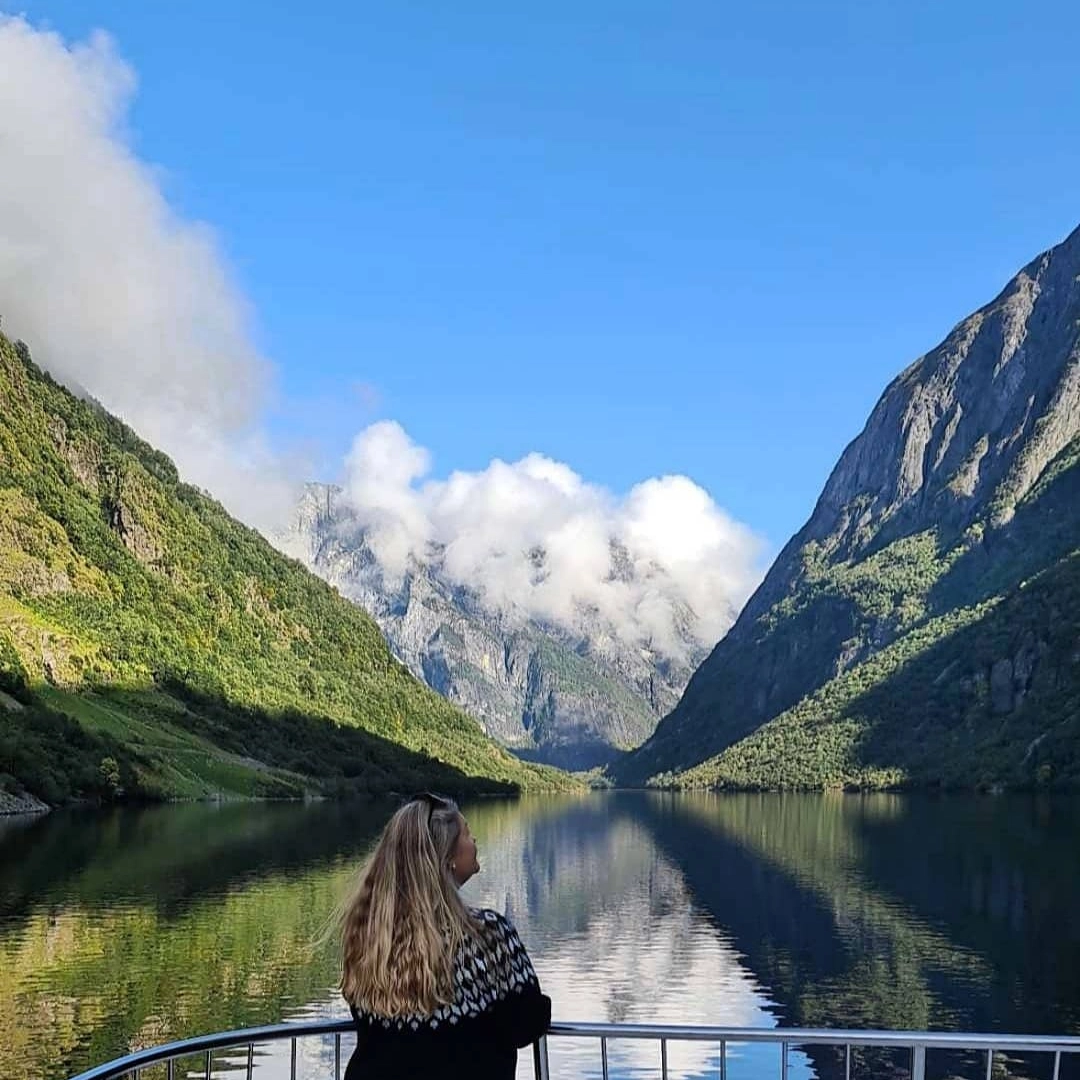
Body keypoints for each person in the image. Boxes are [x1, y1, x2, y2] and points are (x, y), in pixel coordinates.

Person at [337, 792, 552, 1080]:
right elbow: (526, 1022)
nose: (474, 841)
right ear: (448, 855)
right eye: (467, 833)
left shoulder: (370, 936)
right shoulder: (487, 936)